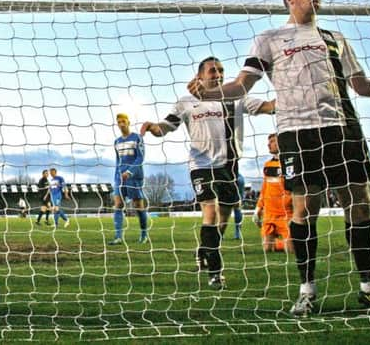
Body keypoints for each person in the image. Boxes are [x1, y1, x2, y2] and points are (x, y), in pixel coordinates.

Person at [188, 0, 370, 314]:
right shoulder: (269, 38)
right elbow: (241, 87)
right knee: (305, 210)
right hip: (298, 133)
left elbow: (363, 86)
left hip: (342, 128)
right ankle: (307, 290)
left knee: (360, 204)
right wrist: (208, 92)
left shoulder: (334, 37)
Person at [142, 57, 274, 289]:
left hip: (230, 167)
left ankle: (205, 249)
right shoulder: (186, 101)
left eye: (221, 70)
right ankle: (215, 272)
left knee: (224, 218)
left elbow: (266, 107)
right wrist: (153, 127)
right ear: (200, 76)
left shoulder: (235, 96)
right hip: (200, 165)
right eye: (213, 71)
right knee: (210, 212)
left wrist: (293, 99)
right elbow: (165, 126)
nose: (218, 74)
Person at [109, 113, 149, 245]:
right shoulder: (117, 141)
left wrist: (130, 172)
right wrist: (116, 176)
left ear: (128, 122)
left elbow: (140, 158)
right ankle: (118, 237)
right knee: (118, 205)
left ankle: (144, 235)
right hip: (120, 178)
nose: (121, 124)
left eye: (123, 121)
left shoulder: (137, 138)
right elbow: (117, 161)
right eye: (119, 122)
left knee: (138, 206)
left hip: (134, 177)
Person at [253, 133, 293, 253]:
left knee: (290, 250)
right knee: (267, 249)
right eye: (269, 141)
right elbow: (265, 187)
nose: (268, 144)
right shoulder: (267, 165)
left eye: (272, 141)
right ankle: (279, 241)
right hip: (269, 213)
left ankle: (292, 242)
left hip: (286, 214)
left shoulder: (289, 163)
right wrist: (258, 208)